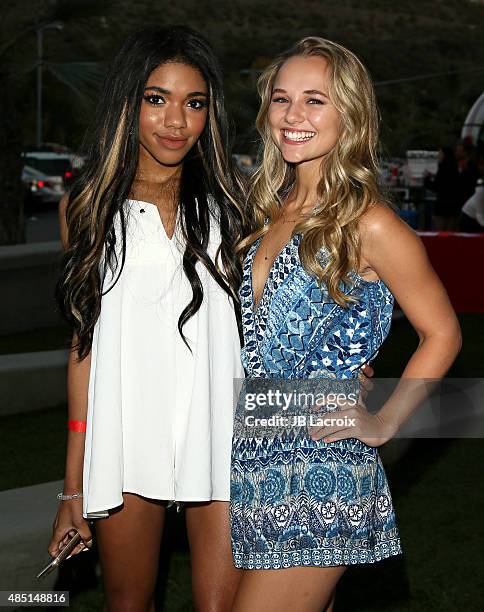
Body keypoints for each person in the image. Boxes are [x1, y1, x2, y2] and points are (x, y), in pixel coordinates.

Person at [230, 37, 462, 612]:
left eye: (315, 100)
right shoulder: (265, 210)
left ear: (350, 115)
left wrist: (384, 422)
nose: (293, 116)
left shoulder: (370, 223)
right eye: (282, 99)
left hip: (321, 465)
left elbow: (444, 332)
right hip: (252, 456)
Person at [47, 25, 247, 612]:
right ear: (128, 103)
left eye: (194, 103)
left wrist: (349, 357)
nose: (175, 122)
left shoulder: (234, 201)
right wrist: (73, 486)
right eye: (156, 99)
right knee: (129, 604)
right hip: (128, 432)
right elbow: (85, 347)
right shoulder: (85, 207)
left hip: (222, 430)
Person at [424, 146, 460, 230]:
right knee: (450, 233)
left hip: (442, 205)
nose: (438, 155)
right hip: (453, 207)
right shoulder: (455, 168)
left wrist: (427, 179)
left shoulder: (443, 167)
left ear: (444, 155)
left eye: (440, 153)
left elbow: (436, 186)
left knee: (440, 231)